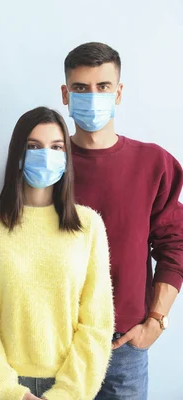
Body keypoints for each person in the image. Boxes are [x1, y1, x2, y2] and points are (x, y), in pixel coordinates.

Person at [0, 107, 114, 400]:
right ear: (18, 154)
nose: (45, 155)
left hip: (70, 383)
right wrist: (7, 392)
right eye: (33, 147)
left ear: (67, 157)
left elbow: (97, 321)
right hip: (4, 385)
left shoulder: (88, 226)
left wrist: (67, 393)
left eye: (56, 147)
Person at [61, 42, 183, 399]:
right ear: (65, 94)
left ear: (119, 92)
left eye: (103, 87)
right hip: (55, 342)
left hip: (124, 346)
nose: (93, 96)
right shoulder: (46, 160)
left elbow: (174, 245)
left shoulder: (153, 163)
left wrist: (156, 321)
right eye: (81, 88)